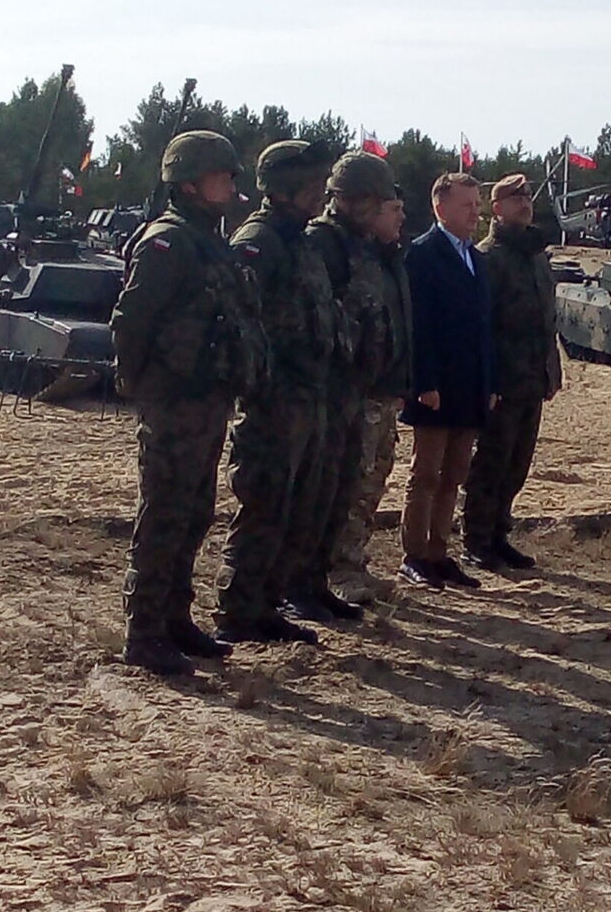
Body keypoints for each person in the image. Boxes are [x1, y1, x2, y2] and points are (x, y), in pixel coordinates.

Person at [111, 131, 263, 678]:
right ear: (190, 183)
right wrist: (146, 387)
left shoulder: (208, 241)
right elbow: (131, 322)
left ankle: (175, 618)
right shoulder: (167, 243)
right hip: (174, 402)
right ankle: (144, 632)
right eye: (221, 175)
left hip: (206, 398)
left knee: (194, 512)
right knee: (164, 514)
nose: (231, 184)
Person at [214, 138, 339, 646]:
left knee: (295, 506)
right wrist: (263, 380)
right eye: (311, 184)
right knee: (263, 506)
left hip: (307, 395)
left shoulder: (300, 241)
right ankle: (238, 609)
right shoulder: (258, 241)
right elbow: (239, 317)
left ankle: (266, 604)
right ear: (284, 187)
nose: (320, 193)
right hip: (273, 401)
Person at [301, 150, 404, 618]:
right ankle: (332, 572)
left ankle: (346, 565)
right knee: (339, 488)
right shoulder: (322, 244)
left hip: (368, 385)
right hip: (337, 389)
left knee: (362, 481)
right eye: (374, 201)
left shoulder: (368, 247)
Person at [400, 171, 498, 589]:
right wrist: (424, 382)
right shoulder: (422, 254)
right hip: (435, 387)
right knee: (426, 475)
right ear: (440, 208)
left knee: (454, 474)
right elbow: (419, 326)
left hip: (470, 386)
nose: (476, 213)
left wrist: (490, 383)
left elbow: (484, 327)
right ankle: (415, 555)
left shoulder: (475, 257)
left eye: (478, 204)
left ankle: (440, 554)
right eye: (467, 205)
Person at [463, 172, 562, 571]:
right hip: (502, 380)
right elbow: (479, 326)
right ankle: (477, 539)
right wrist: (486, 380)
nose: (525, 204)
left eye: (528, 198)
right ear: (496, 208)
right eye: (515, 199)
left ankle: (499, 534)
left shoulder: (536, 257)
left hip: (532, 378)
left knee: (517, 464)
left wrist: (551, 372)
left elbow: (547, 320)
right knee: (491, 462)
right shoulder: (489, 258)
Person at [333, 183, 412, 601]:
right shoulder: (349, 256)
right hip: (359, 394)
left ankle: (355, 562)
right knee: (353, 483)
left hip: (385, 392)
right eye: (394, 208)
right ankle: (339, 572)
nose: (402, 217)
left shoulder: (389, 259)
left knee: (373, 482)